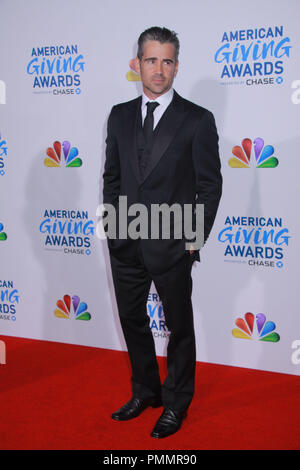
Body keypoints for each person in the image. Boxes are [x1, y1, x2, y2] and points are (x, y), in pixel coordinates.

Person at [103, 26, 222, 438]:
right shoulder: (118, 115)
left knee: (179, 327)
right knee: (133, 320)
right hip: (125, 242)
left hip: (173, 246)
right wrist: (113, 228)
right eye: (151, 60)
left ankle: (176, 403)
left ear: (176, 67)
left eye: (167, 61)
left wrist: (193, 240)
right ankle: (145, 391)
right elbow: (112, 177)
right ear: (137, 64)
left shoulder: (197, 119)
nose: (159, 69)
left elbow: (209, 186)